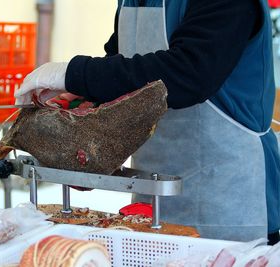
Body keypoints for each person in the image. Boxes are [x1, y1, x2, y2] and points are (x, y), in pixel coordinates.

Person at [15, 0, 280, 243]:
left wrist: (72, 73)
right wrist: (87, 102)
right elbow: (124, 65)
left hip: (228, 193)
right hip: (153, 189)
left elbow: (187, 74)